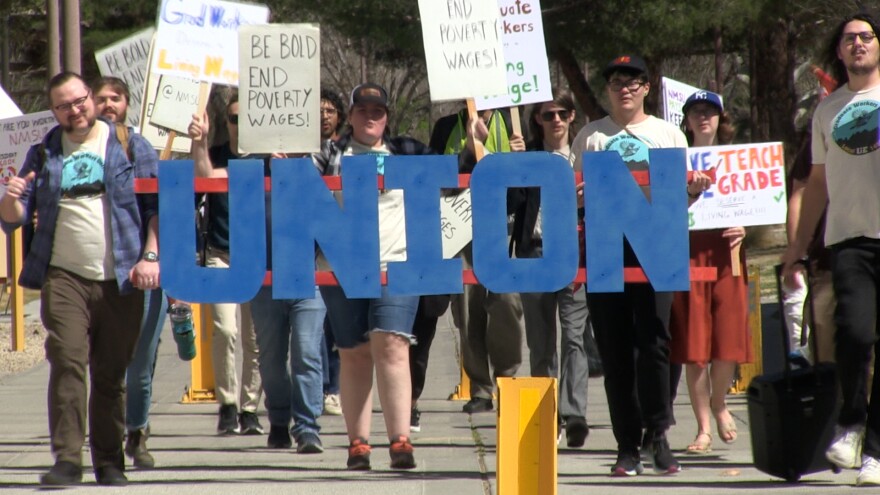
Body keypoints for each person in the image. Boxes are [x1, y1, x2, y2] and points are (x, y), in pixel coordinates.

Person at [0, 71, 159, 486]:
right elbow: (13, 220)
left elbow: (155, 206)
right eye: (64, 105)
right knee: (67, 360)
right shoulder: (45, 151)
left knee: (110, 373)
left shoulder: (128, 144)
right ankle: (68, 459)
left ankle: (109, 461)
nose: (76, 110)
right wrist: (11, 199)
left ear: (91, 96)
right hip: (63, 275)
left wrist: (150, 256)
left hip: (122, 276)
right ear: (54, 111)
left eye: (80, 100)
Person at [571, 54, 711, 476]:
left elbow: (677, 198)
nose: (624, 88)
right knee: (614, 351)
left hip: (655, 247)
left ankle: (659, 436)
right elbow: (575, 197)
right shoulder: (590, 137)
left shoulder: (668, 134)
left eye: (633, 81)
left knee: (655, 344)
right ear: (608, 89)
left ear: (647, 88)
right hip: (605, 248)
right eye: (616, 81)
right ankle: (626, 445)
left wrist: (692, 192)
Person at [781, 12, 880, 487]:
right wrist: (796, 248)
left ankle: (874, 452)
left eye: (866, 36)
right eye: (849, 39)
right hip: (848, 241)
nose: (858, 44)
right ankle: (852, 422)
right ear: (838, 52)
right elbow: (816, 185)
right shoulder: (827, 111)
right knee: (855, 334)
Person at [312, 82, 429, 470]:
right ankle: (358, 444)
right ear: (350, 116)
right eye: (362, 110)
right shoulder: (330, 153)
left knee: (392, 344)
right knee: (354, 354)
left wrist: (474, 147)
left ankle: (400, 441)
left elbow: (455, 174)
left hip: (397, 264)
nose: (370, 117)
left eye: (377, 111)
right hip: (341, 267)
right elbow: (294, 181)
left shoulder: (407, 152)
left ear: (387, 118)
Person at [509, 89, 592, 448]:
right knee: (541, 342)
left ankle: (574, 415)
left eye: (562, 113)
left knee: (574, 337)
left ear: (572, 117)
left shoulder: (586, 154)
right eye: (547, 115)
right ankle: (546, 414)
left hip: (576, 254)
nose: (555, 120)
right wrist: (514, 167)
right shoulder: (526, 156)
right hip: (535, 253)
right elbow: (509, 204)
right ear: (537, 121)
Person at [669, 90, 751, 455]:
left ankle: (719, 402)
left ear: (721, 118)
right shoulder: (675, 159)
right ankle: (703, 425)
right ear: (685, 120)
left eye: (710, 111)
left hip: (728, 254)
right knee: (694, 342)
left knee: (728, 338)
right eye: (696, 111)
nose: (703, 117)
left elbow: (756, 204)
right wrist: (689, 190)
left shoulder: (739, 160)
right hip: (688, 253)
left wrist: (746, 227)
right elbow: (664, 209)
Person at [431, 106, 526, 415]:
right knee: (468, 308)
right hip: (459, 226)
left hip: (503, 225)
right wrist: (469, 152)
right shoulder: (447, 126)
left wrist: (518, 154)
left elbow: (530, 177)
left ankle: (507, 377)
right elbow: (436, 177)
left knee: (506, 302)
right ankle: (481, 389)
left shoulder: (513, 121)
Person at [92, 76, 166, 469]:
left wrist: (151, 256)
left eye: (115, 98)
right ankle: (106, 436)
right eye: (100, 98)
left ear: (127, 103)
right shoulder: (74, 147)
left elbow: (156, 207)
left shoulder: (137, 146)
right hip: (88, 271)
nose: (107, 105)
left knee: (139, 360)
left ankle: (137, 433)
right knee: (103, 362)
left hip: (138, 271)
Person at [190, 93, 264, 436]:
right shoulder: (217, 155)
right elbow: (205, 175)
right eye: (234, 118)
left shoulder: (268, 158)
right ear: (227, 123)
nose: (240, 125)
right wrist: (201, 140)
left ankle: (250, 409)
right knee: (225, 330)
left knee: (254, 339)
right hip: (220, 254)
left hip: (259, 258)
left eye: (247, 119)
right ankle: (228, 405)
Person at [319, 88, 345, 416]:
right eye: (319, 110)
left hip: (341, 245)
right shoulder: (304, 151)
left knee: (337, 324)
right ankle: (320, 385)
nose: (324, 115)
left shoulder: (347, 150)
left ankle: (334, 389)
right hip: (312, 245)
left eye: (330, 110)